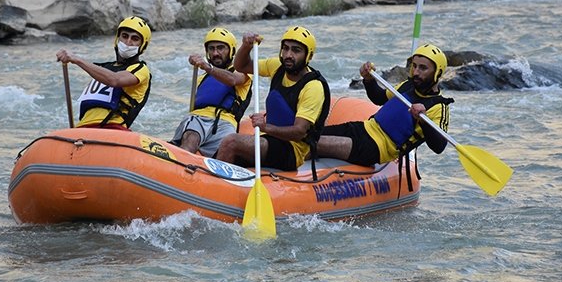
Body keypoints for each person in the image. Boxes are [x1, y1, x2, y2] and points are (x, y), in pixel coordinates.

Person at [316, 43, 454, 172]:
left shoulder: (439, 106)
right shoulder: (407, 85)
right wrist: (369, 80)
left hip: (375, 149)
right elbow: (379, 98)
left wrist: (424, 121)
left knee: (313, 144)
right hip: (363, 128)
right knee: (310, 135)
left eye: (423, 68)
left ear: (437, 72)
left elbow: (439, 146)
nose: (416, 72)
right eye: (414, 66)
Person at [215, 26, 330, 172]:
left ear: (309, 56)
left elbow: (299, 132)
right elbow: (241, 65)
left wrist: (265, 127)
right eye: (285, 48)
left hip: (291, 149)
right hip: (268, 139)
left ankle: (216, 188)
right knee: (218, 152)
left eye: (296, 50)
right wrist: (246, 46)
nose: (288, 55)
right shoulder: (277, 66)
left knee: (231, 142)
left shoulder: (313, 87)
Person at [56, 16, 152, 130]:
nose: (128, 42)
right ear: (117, 39)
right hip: (82, 128)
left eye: (135, 39)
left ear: (143, 45)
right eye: (125, 36)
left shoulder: (141, 69)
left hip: (113, 128)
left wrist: (76, 59)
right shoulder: (104, 68)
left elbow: (115, 80)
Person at [170, 27, 252, 157]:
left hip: (226, 122)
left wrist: (208, 67)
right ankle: (180, 162)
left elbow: (232, 80)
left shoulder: (243, 72)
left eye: (220, 48)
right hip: (199, 118)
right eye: (211, 49)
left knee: (226, 151)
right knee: (192, 137)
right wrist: (207, 69)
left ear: (231, 51)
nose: (215, 53)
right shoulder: (202, 77)